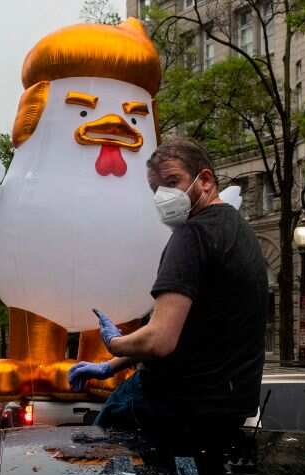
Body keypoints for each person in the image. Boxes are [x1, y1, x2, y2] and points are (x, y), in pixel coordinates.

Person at [68, 138, 268, 446]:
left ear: (205, 180)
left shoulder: (192, 234)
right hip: (226, 411)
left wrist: (115, 344)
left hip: (170, 403)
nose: (163, 196)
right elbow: (187, 327)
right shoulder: (240, 232)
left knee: (95, 463)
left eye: (172, 181)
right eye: (156, 189)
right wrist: (110, 367)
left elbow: (160, 340)